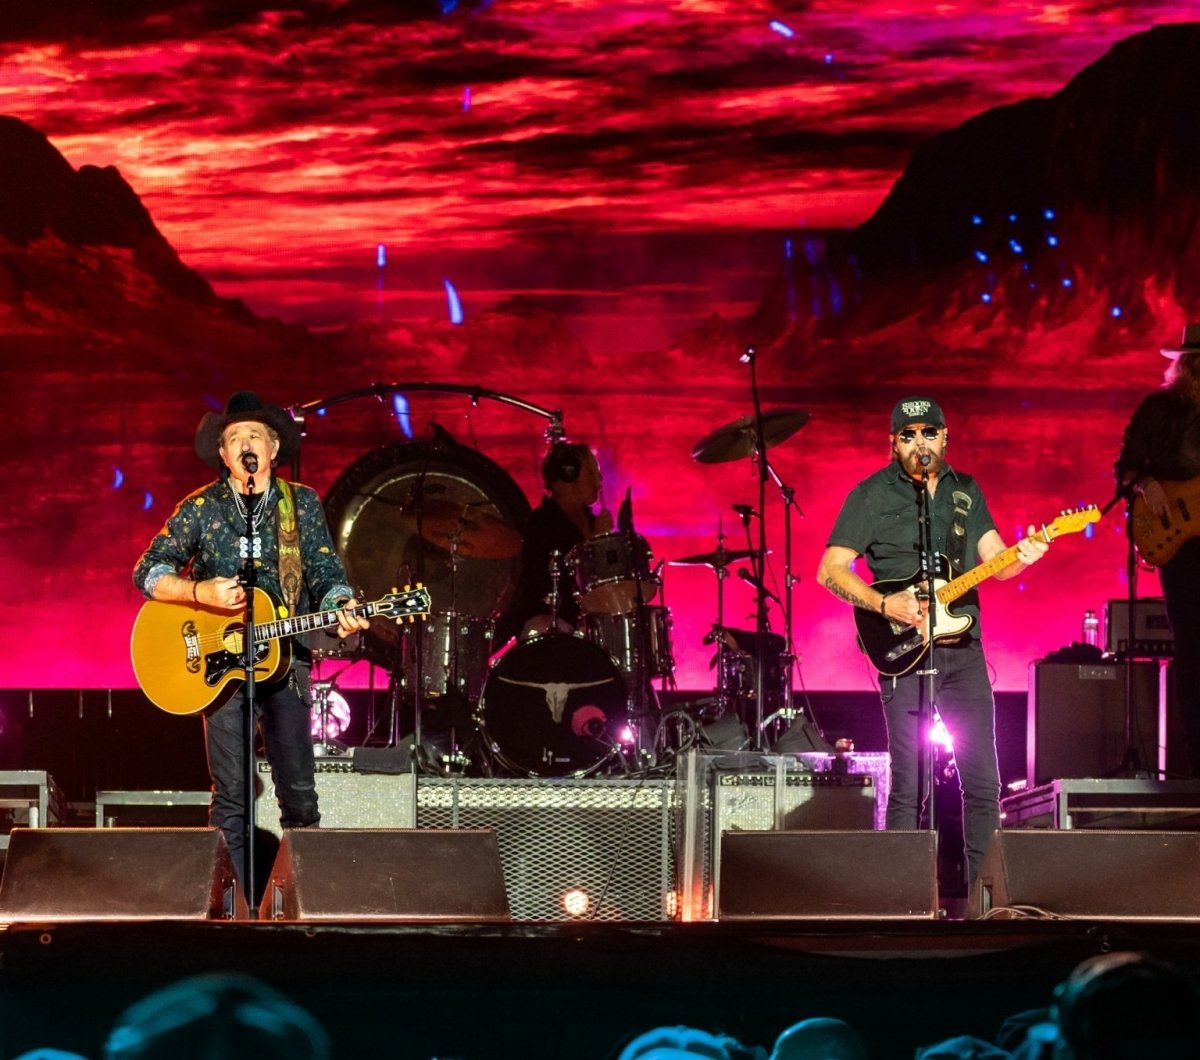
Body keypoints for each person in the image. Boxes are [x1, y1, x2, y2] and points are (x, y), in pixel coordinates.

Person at [132, 392, 369, 886]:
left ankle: (306, 911)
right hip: (220, 671)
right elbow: (147, 572)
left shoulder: (299, 503)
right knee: (232, 798)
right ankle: (232, 917)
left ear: (274, 446)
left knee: (300, 796)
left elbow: (325, 572)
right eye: (234, 437)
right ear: (223, 454)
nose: (245, 444)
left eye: (254, 436)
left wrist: (340, 605)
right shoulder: (200, 507)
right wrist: (199, 591)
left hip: (288, 664)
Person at [816, 396, 1048, 886]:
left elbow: (997, 563)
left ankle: (987, 899)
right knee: (908, 786)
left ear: (945, 437)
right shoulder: (871, 495)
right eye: (908, 435)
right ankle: (899, 899)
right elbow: (830, 571)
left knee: (984, 783)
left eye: (929, 433)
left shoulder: (966, 490)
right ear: (893, 442)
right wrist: (884, 605)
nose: (919, 443)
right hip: (902, 651)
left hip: (964, 650)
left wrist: (1025, 554)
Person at [1115, 323, 1200, 777]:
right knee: (1192, 645)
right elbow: (1125, 467)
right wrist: (1148, 486)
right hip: (1180, 540)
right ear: (1185, 365)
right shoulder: (1160, 411)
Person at [493, 439, 612, 645]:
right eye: (592, 473)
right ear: (569, 473)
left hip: (588, 623)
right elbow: (558, 580)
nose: (600, 480)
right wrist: (593, 541)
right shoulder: (542, 523)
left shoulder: (592, 520)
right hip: (547, 624)